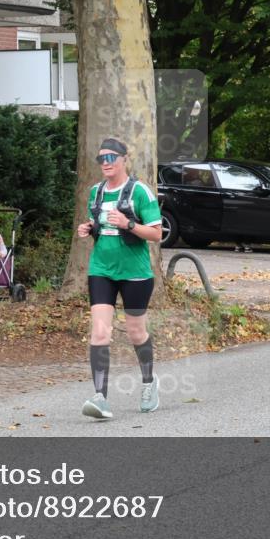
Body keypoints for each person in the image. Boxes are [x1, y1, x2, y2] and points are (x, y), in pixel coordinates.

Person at [76, 137, 163, 419]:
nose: (105, 163)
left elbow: (156, 233)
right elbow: (100, 224)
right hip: (101, 269)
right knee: (100, 332)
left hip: (135, 273)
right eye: (101, 158)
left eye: (111, 157)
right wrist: (88, 228)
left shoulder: (140, 192)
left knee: (136, 331)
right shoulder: (96, 192)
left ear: (125, 159)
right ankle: (100, 397)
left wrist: (128, 223)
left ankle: (149, 383)